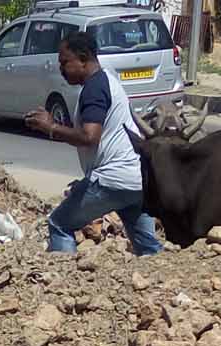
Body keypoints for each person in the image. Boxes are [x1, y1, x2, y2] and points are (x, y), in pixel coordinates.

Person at [25, 31, 161, 257]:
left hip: (113, 180)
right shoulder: (107, 81)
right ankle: (163, 286)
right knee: (148, 248)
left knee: (59, 224)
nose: (61, 68)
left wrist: (51, 127)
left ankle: (63, 285)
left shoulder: (94, 88)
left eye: (65, 62)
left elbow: (90, 137)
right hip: (136, 181)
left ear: (83, 58)